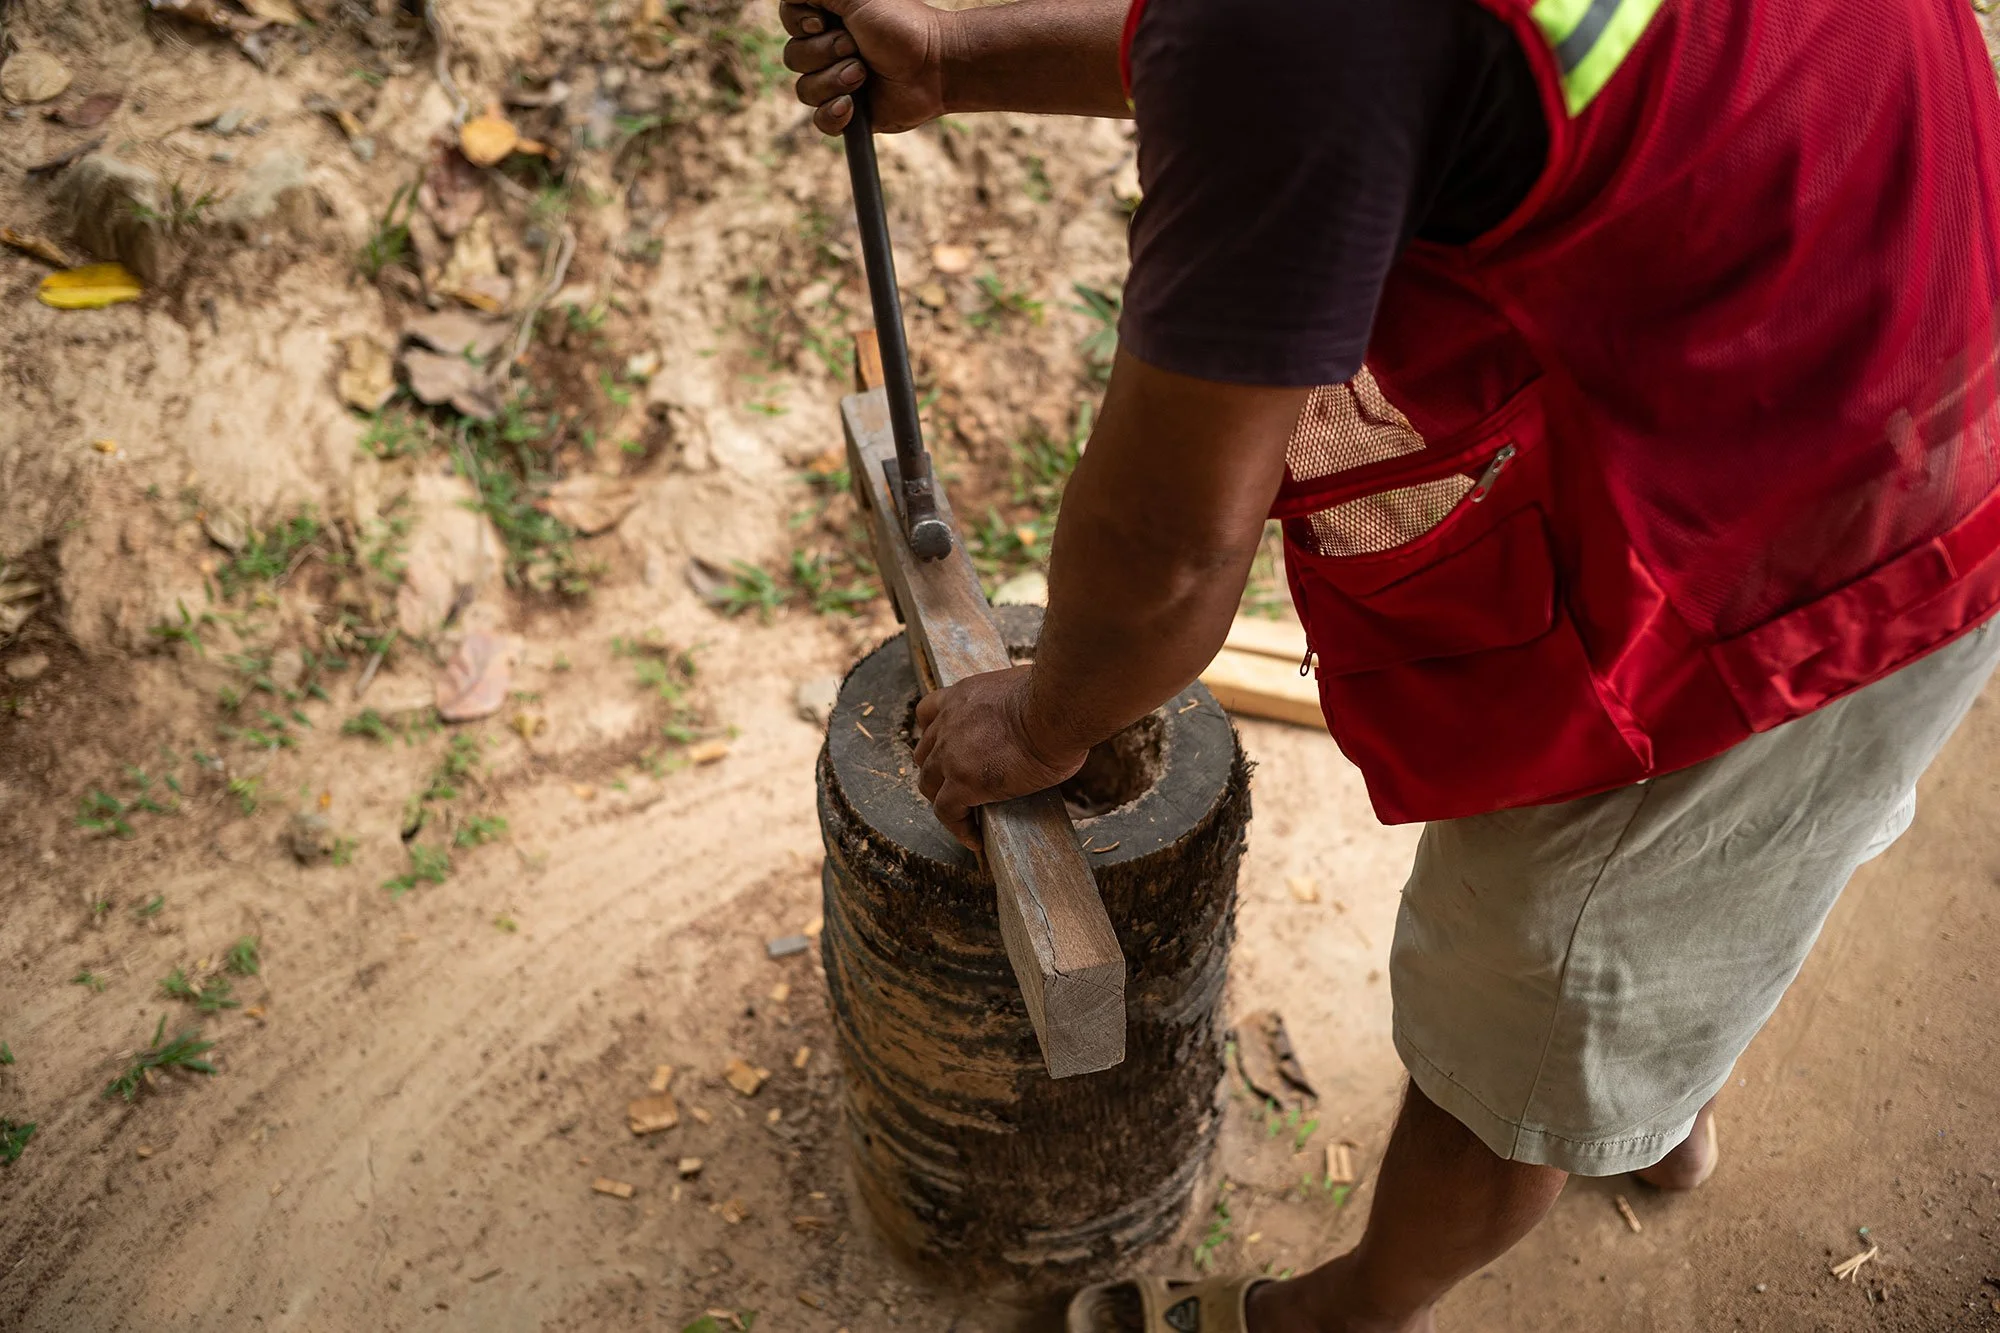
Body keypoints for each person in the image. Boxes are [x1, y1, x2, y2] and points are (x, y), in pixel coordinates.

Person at [785, 0, 2000, 1327]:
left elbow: (1175, 548)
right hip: (1908, 335)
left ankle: (1355, 1307)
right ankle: (1650, 1088)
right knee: (1713, 897)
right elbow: (1391, 75)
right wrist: (964, 63)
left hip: (1772, 572)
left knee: (1528, 1016)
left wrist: (1045, 719)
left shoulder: (1299, 36)